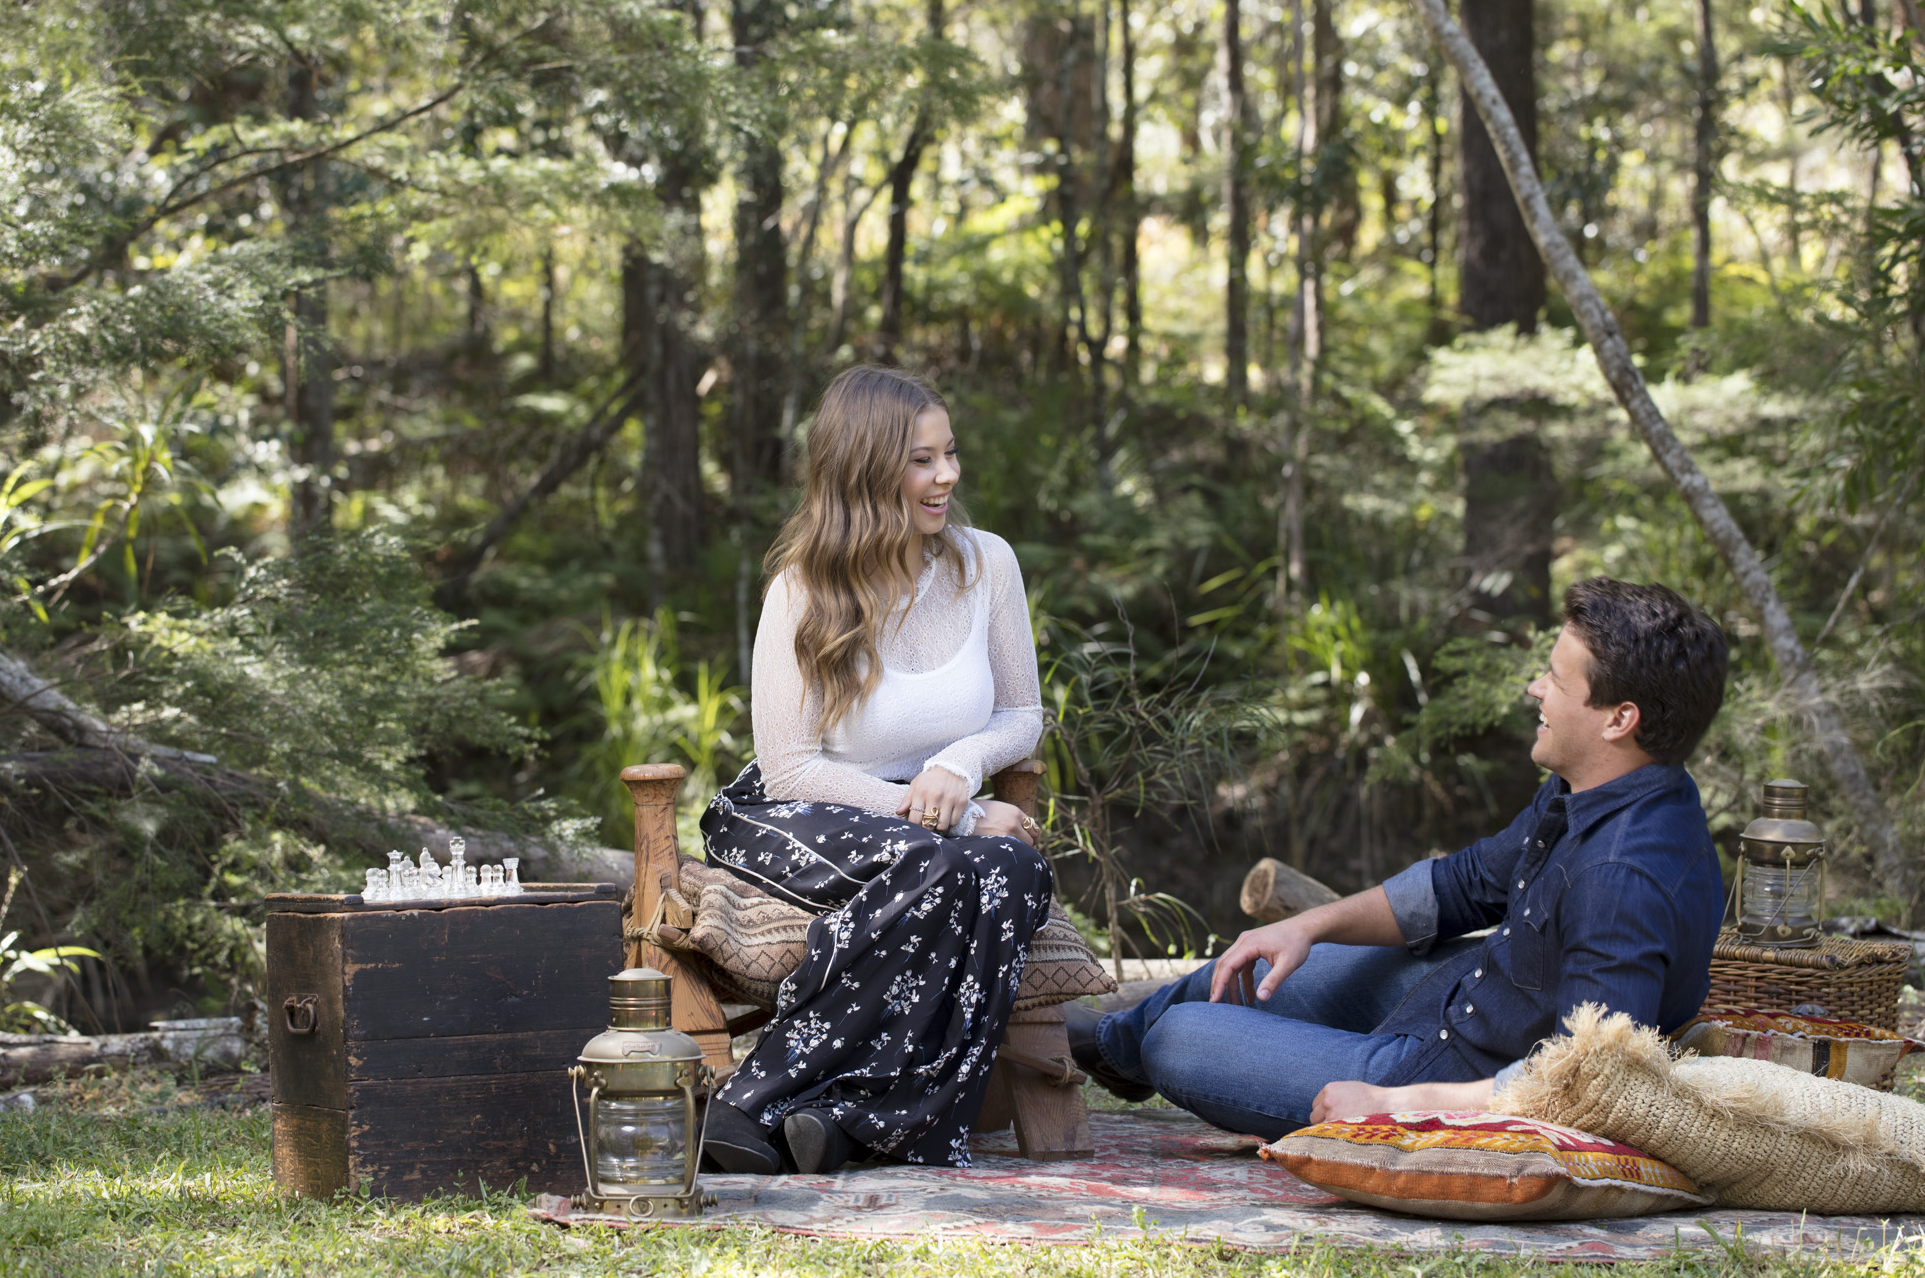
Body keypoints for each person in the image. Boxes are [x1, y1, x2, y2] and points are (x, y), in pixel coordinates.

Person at [1066, 578, 1731, 1138]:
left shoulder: (1623, 880)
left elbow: (1588, 1081)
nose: (1535, 689)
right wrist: (1307, 924)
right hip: (1459, 993)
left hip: (1442, 1071)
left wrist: (1393, 1106)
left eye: (1556, 678)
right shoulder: (1592, 785)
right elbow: (1461, 883)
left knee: (1179, 1039)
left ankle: (1136, 1045)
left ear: (1619, 719)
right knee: (1261, 959)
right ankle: (1107, 1045)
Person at [697, 365, 1053, 1176]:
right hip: (792, 810)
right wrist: (955, 814)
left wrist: (959, 769)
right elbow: (789, 768)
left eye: (950, 454)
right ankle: (752, 1098)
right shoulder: (801, 591)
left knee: (1016, 868)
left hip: (921, 819)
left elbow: (1022, 713)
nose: (948, 476)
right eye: (923, 460)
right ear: (864, 469)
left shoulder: (987, 564)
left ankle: (846, 1120)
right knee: (942, 859)